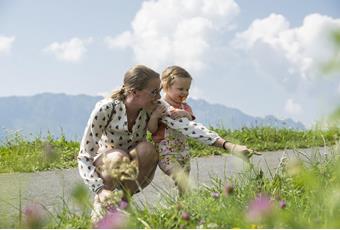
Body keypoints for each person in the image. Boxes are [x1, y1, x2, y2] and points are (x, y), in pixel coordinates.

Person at [147, 65, 260, 195]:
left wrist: (184, 113)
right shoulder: (159, 105)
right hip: (166, 152)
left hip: (183, 150)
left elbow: (190, 123)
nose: (184, 93)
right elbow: (152, 129)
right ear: (166, 86)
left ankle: (183, 203)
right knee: (179, 176)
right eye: (180, 89)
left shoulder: (185, 107)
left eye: (187, 89)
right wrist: (155, 116)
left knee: (185, 180)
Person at [78, 65, 162, 222]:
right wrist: (100, 189)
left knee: (147, 149)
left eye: (160, 91)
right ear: (134, 92)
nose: (158, 97)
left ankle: (124, 204)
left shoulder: (151, 109)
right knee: (118, 156)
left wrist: (181, 115)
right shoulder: (107, 108)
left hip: (132, 164)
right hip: (108, 162)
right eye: (154, 92)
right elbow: (84, 155)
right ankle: (102, 206)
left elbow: (182, 125)